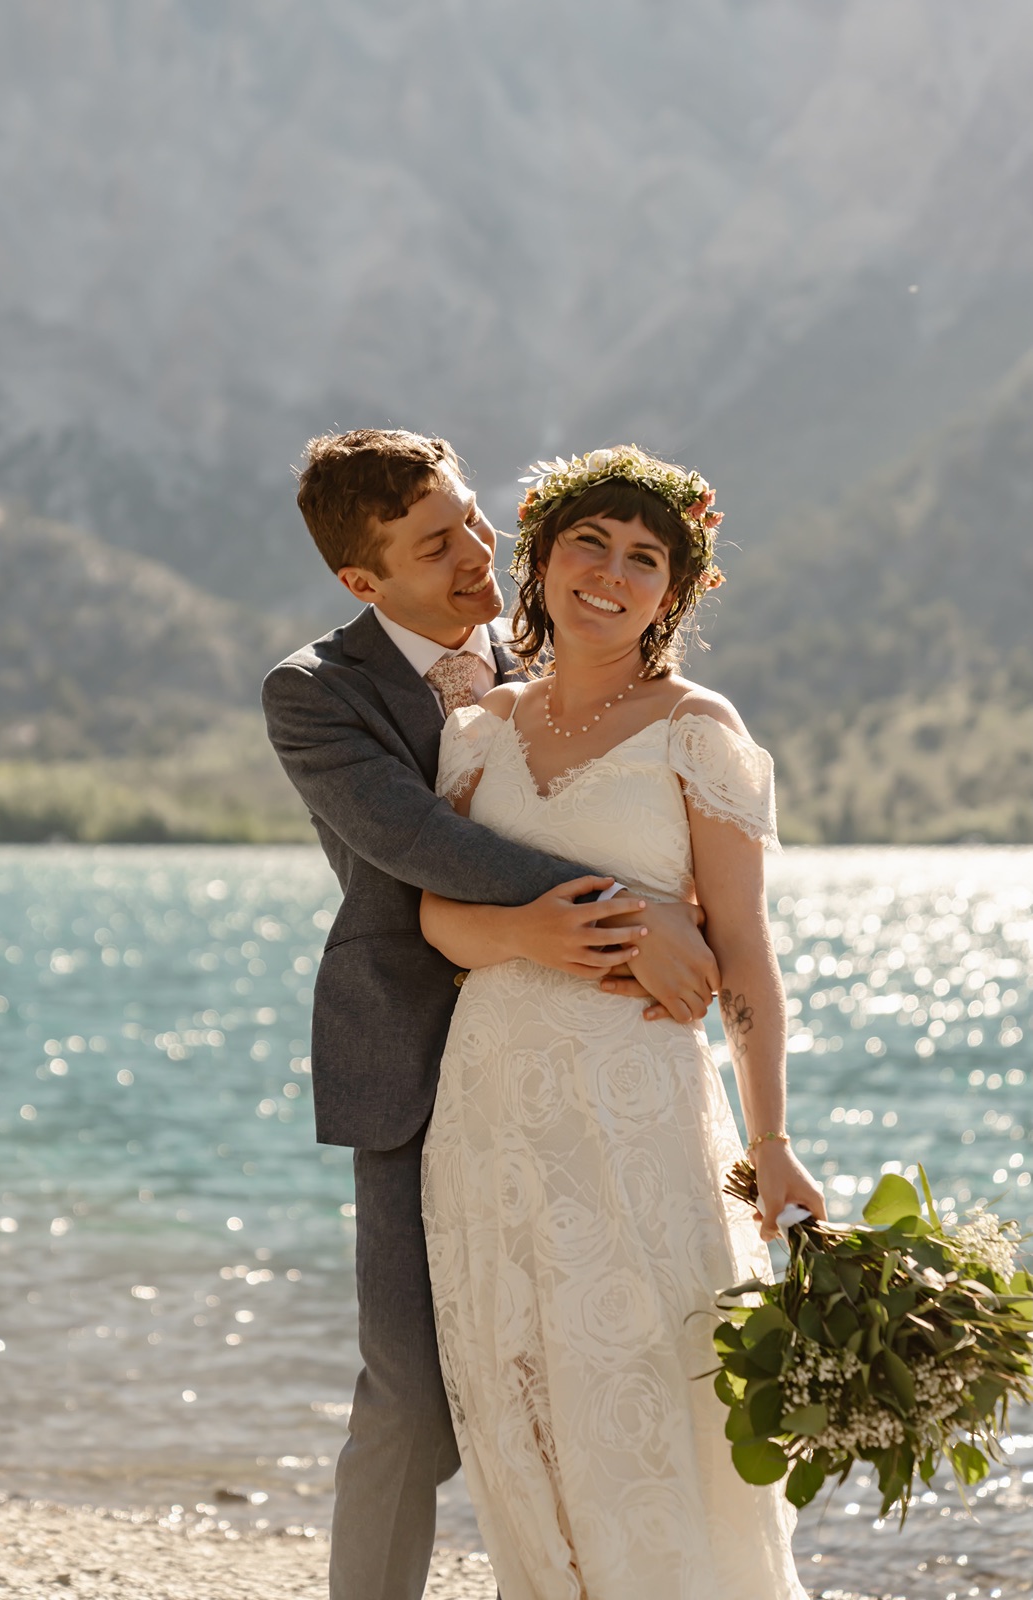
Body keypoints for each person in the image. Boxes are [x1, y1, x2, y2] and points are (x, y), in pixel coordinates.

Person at [261, 429, 721, 1600]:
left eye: (472, 515)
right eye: (436, 543)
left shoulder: (547, 633)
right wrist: (630, 914)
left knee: (605, 1366)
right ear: (363, 582)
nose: (477, 550)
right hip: (414, 1061)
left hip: (589, 1064)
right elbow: (422, 846)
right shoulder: (313, 693)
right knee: (415, 1396)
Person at [419, 445, 827, 1599]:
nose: (609, 572)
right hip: (489, 1107)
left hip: (631, 1104)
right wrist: (543, 931)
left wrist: (772, 1142)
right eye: (588, 543)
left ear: (671, 595)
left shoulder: (693, 726)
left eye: (643, 558)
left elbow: (740, 944)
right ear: (541, 562)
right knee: (519, 1387)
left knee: (644, 1379)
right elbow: (437, 917)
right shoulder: (481, 726)